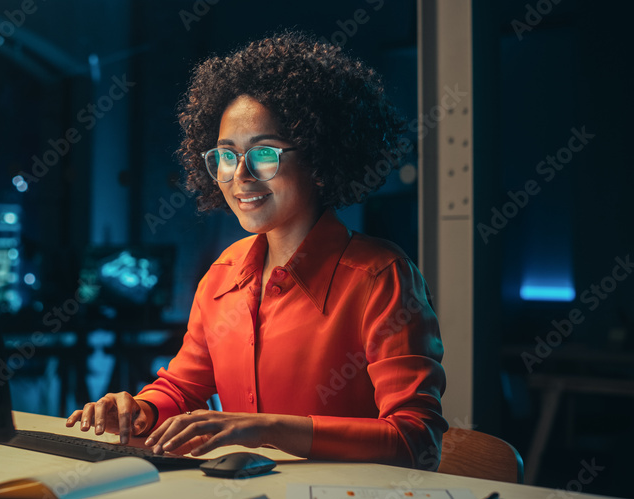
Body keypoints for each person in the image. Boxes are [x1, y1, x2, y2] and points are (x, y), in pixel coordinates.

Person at [65, 32, 447, 470]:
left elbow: (417, 440)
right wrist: (141, 410)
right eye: (226, 156)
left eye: (264, 153)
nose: (240, 175)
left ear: (320, 160)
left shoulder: (382, 277)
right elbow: (181, 389)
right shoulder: (222, 274)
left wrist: (267, 428)